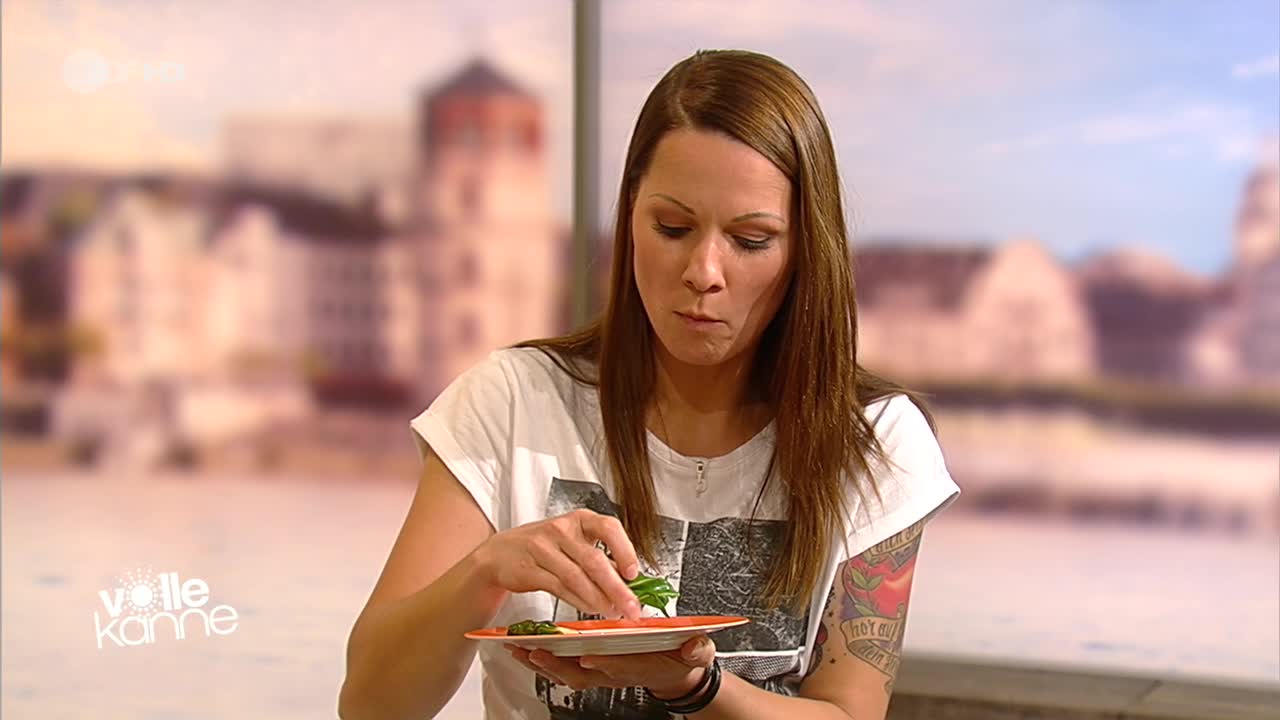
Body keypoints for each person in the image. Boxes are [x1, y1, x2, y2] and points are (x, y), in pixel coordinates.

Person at [338, 49, 959, 720]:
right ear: (630, 215)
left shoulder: (874, 439)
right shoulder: (510, 401)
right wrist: (483, 572)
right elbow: (371, 705)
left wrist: (696, 687)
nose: (704, 271)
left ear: (806, 248)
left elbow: (849, 712)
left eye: (751, 240)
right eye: (672, 228)